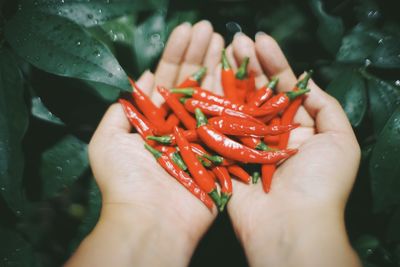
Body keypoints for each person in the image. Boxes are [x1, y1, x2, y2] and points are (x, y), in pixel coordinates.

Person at [64, 21, 362, 267]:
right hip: (196, 140)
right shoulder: (190, 135)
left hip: (206, 138)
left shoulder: (210, 129)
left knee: (239, 120)